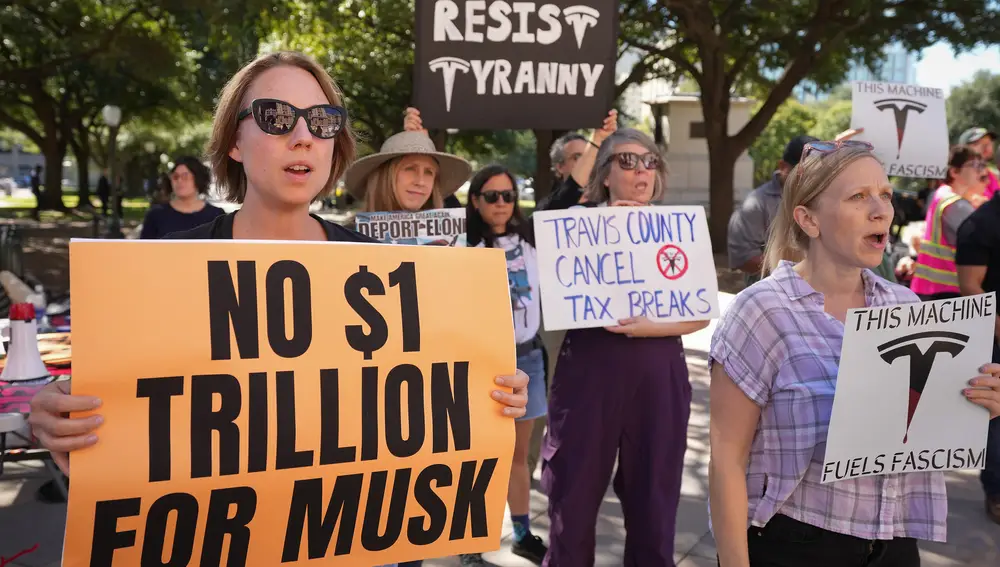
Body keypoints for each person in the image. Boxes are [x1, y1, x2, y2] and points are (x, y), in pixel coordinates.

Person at [27, 51, 531, 567]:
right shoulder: (160, 275)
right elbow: (134, 427)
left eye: (322, 120)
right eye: (275, 116)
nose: (303, 136)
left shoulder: (384, 273)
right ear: (234, 143)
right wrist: (67, 424)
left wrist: (487, 395)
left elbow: (427, 401)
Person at [707, 139, 1000, 567]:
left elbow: (920, 427)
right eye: (858, 196)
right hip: (794, 546)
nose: (882, 210)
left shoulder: (906, 308)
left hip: (895, 546)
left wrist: (976, 405)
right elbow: (726, 461)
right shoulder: (761, 312)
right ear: (808, 219)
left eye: (884, 194)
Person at [541, 128, 709, 566]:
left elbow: (701, 313)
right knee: (570, 501)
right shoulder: (576, 226)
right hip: (587, 379)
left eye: (650, 162)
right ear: (605, 175)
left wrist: (647, 327)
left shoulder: (678, 231)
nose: (641, 172)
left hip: (658, 379)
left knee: (654, 507)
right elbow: (550, 218)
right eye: (628, 162)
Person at [466, 164, 548, 564]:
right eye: (492, 196)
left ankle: (520, 533)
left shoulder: (532, 238)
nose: (501, 204)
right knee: (475, 456)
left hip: (527, 357)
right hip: (480, 362)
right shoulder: (463, 245)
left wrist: (596, 140)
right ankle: (466, 543)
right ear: (476, 201)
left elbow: (569, 193)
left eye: (508, 196)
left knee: (518, 456)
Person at [955, 189, 1000, 525]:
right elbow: (971, 285)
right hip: (996, 339)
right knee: (996, 419)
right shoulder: (979, 224)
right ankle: (996, 493)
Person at [346, 107, 471, 215]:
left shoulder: (450, 238)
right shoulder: (345, 239)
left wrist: (420, 141)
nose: (420, 182)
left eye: (429, 172)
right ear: (384, 176)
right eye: (410, 168)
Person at [728, 135, 818, 285]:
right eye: (803, 174)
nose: (811, 181)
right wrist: (802, 268)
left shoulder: (826, 198)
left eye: (817, 174)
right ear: (783, 167)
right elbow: (743, 258)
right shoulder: (756, 203)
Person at [909, 145, 989, 300]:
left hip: (931, 288)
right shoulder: (955, 204)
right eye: (973, 165)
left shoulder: (942, 195)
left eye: (980, 165)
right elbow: (985, 242)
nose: (980, 171)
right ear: (954, 172)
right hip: (946, 292)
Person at [138, 156, 225, 239]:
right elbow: (144, 250)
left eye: (185, 176)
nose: (179, 181)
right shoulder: (155, 215)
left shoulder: (216, 216)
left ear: (198, 179)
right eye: (175, 177)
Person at [958, 127, 999, 199]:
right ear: (964, 148)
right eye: (978, 143)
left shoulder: (992, 175)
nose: (987, 148)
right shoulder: (959, 175)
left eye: (989, 143)